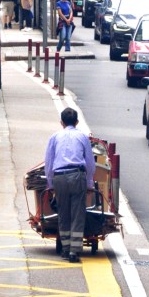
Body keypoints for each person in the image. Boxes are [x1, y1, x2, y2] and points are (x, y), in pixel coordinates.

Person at [44, 107, 95, 263]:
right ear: (77, 122)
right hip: (77, 176)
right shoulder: (83, 137)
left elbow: (49, 162)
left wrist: (50, 183)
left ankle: (66, 249)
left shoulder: (54, 137)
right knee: (78, 214)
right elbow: (90, 162)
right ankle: (74, 251)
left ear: (61, 123)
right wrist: (89, 183)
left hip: (59, 177)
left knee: (63, 213)